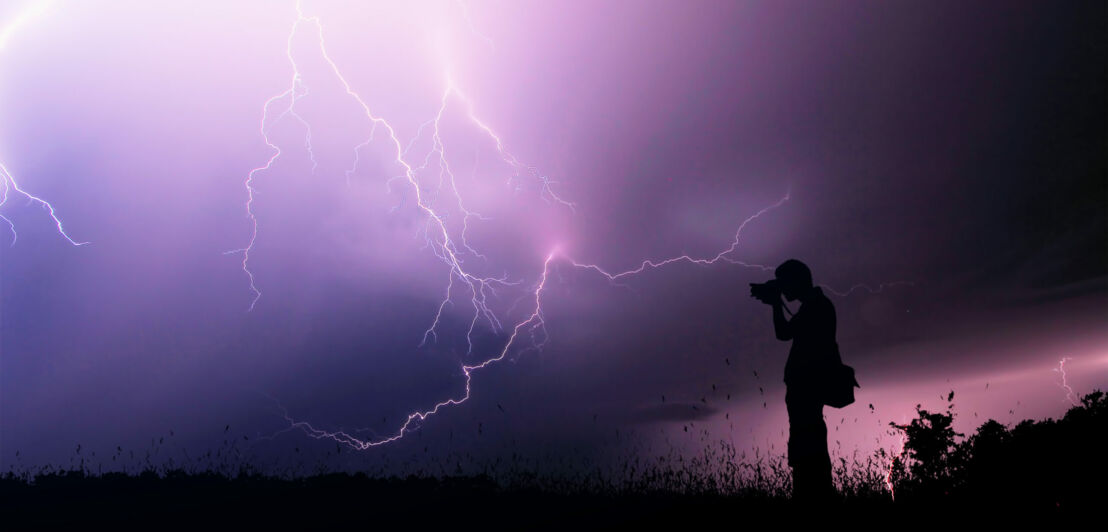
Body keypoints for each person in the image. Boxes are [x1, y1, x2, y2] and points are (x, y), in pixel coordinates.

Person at [751, 259, 838, 503]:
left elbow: (783, 333)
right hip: (808, 387)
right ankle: (813, 495)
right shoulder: (815, 305)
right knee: (808, 444)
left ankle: (812, 498)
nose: (783, 289)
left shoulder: (815, 306)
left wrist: (775, 305)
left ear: (797, 281)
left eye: (784, 283)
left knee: (807, 447)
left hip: (807, 388)